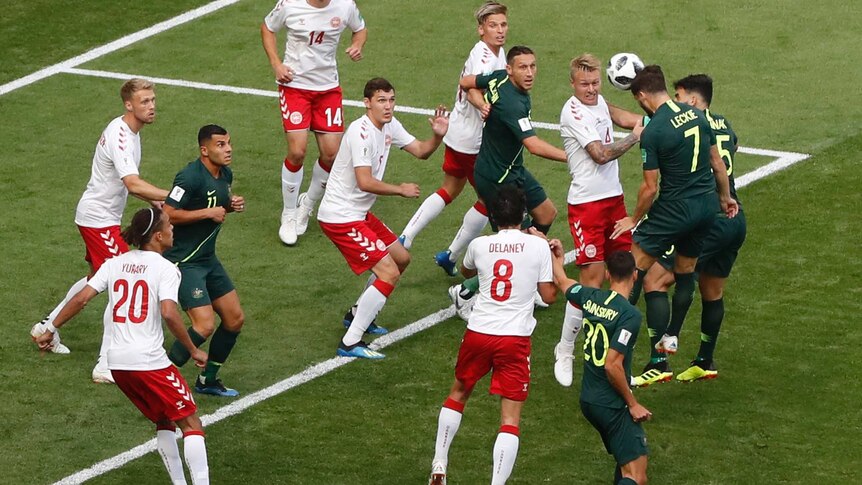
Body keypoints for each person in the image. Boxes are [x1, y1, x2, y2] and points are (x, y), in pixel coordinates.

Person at [33, 207, 211, 485]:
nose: (173, 229)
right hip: (149, 361)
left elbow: (81, 299)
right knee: (191, 424)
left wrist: (50, 328)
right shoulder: (167, 269)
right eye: (169, 226)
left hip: (117, 365)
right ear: (157, 236)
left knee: (164, 420)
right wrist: (192, 349)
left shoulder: (115, 263)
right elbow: (169, 312)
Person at [29, 78, 168, 384]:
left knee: (97, 277)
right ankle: (106, 364)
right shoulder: (120, 135)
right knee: (120, 281)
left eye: (153, 99)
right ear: (128, 105)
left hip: (102, 217)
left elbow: (128, 184)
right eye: (144, 101)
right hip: (98, 219)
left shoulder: (132, 134)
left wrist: (157, 201)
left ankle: (46, 328)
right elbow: (131, 183)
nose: (151, 105)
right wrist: (168, 196)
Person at [609, 65, 738, 386]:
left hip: (673, 211)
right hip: (707, 208)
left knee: (633, 273)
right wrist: (725, 198)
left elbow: (650, 188)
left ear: (641, 96)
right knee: (685, 274)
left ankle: (615, 345)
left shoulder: (653, 132)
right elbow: (718, 163)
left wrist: (633, 219)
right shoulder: (698, 117)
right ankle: (670, 337)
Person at [428, 185, 556, 485]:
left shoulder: (479, 245)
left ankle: (439, 463)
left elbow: (467, 271)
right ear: (524, 215)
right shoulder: (537, 246)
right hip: (514, 339)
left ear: (493, 217)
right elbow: (549, 296)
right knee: (509, 419)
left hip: (479, 332)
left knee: (458, 393)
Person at [317, 78, 449, 359]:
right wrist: (399, 189)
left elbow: (422, 151)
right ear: (367, 103)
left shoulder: (390, 125)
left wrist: (437, 136)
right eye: (381, 100)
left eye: (391, 100)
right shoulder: (360, 132)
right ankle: (350, 342)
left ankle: (356, 313)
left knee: (400, 258)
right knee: (388, 272)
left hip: (358, 213)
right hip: (340, 216)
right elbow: (364, 181)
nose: (388, 106)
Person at [447, 45, 567, 315]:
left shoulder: (498, 76)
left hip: (514, 168)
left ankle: (525, 269)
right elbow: (534, 145)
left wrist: (480, 102)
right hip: (497, 178)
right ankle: (465, 291)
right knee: (516, 242)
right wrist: (571, 156)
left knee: (546, 213)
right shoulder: (512, 103)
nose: (529, 73)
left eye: (533, 66)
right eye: (523, 67)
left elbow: (466, 82)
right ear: (511, 69)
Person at [552, 53, 645, 388]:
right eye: (584, 84)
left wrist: (655, 119)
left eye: (594, 83)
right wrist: (636, 136)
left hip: (614, 201)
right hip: (587, 206)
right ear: (572, 83)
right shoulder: (572, 111)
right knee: (591, 280)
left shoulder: (599, 101)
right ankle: (564, 349)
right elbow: (601, 154)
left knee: (623, 276)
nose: (590, 90)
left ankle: (618, 359)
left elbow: (619, 115)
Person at [399, 1, 509, 272]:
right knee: (489, 201)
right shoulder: (485, 57)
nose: (499, 30)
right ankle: (451, 255)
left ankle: (406, 236)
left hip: (456, 135)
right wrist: (482, 104)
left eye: (503, 24)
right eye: (493, 25)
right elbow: (471, 86)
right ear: (480, 29)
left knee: (450, 188)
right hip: (473, 143)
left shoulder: (494, 51)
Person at [261, 0, 367, 246]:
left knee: (331, 154)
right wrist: (277, 64)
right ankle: (288, 214)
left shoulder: (345, 5)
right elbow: (267, 28)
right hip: (295, 87)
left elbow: (360, 28)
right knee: (297, 151)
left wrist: (357, 44)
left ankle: (306, 205)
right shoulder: (290, 5)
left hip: (328, 89)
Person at [550, 247, 651, 485]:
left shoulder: (589, 296)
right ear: (635, 274)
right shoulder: (630, 315)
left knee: (626, 459)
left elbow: (562, 281)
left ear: (607, 274)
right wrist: (632, 404)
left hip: (589, 399)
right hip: (611, 403)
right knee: (636, 476)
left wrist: (557, 259)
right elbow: (612, 365)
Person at [163, 125, 246, 397]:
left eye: (229, 143)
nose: (228, 148)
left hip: (208, 259)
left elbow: (216, 208)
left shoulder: (225, 174)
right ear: (204, 150)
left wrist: (230, 206)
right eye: (220, 144)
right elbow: (168, 215)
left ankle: (207, 380)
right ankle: (162, 379)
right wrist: (207, 213)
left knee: (234, 319)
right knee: (204, 324)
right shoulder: (189, 177)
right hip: (184, 261)